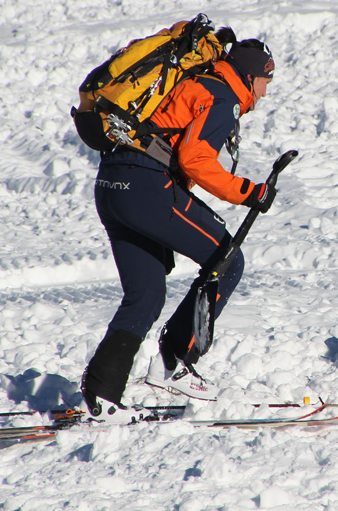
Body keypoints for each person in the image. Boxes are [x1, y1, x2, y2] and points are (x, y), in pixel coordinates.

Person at [81, 31, 276, 415]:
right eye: (266, 81)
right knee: (228, 260)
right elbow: (196, 160)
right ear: (251, 77)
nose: (266, 93)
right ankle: (175, 363)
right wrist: (249, 192)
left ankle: (102, 396)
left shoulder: (193, 83)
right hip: (146, 187)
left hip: (112, 186)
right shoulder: (220, 94)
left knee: (146, 295)